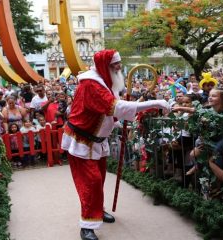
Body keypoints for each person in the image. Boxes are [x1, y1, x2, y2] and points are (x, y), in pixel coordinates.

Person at [61, 49, 170, 240]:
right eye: (115, 64)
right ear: (105, 65)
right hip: (82, 140)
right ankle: (87, 224)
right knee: (91, 182)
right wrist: (156, 103)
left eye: (119, 63)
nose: (119, 67)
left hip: (97, 139)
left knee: (100, 179)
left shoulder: (105, 81)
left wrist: (118, 122)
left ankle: (97, 210)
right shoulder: (91, 84)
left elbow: (108, 112)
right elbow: (115, 107)